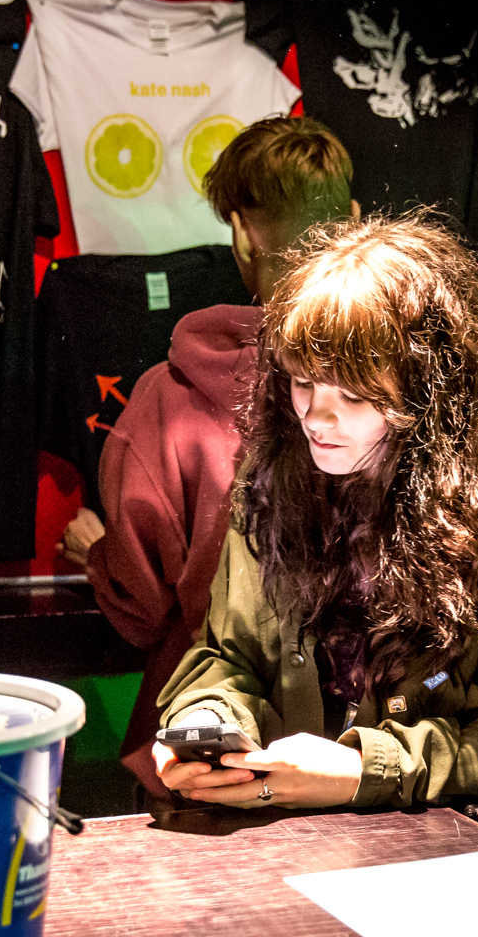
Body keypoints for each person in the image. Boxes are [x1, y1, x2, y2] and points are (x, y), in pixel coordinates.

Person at [155, 213, 478, 809]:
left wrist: (361, 769)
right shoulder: (273, 480)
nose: (317, 417)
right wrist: (204, 720)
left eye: (353, 394)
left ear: (425, 390)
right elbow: (231, 654)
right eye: (301, 384)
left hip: (457, 843)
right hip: (285, 829)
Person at [58, 117, 358, 796]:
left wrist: (101, 552)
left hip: (214, 752)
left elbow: (142, 609)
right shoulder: (401, 385)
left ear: (244, 234)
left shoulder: (169, 401)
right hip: (367, 745)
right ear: (358, 222)